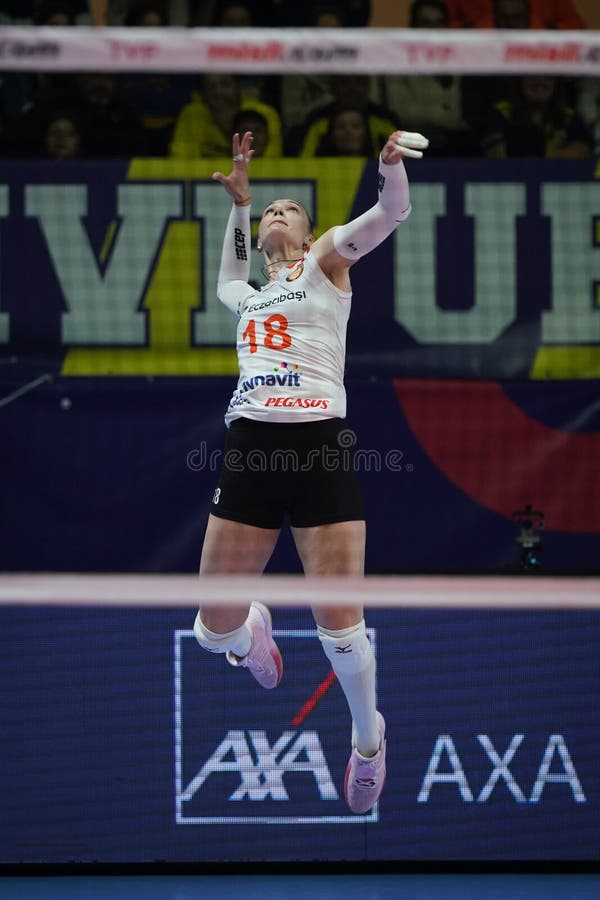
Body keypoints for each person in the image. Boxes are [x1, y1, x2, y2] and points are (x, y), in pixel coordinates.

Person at [193, 126, 429, 814]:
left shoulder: (326, 260)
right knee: (213, 629)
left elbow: (391, 216)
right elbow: (227, 280)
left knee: (340, 626)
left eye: (284, 210)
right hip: (252, 450)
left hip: (320, 443)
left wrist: (388, 171)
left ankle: (366, 743)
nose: (276, 213)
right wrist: (239, 205)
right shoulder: (249, 297)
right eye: (271, 210)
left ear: (304, 231)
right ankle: (250, 640)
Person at [170, 73, 282, 158]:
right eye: (210, 86)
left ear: (239, 87)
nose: (218, 92)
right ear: (202, 92)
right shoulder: (191, 114)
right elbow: (180, 159)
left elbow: (272, 159)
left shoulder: (265, 112)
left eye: (225, 84)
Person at [481, 75, 592, 158]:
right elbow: (496, 154)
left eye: (547, 77)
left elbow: (581, 152)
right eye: (533, 75)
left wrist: (532, 154)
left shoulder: (569, 117)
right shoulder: (501, 113)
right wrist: (557, 154)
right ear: (520, 81)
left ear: (556, 84)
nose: (540, 82)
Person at [445, 0, 584, 29]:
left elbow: (576, 23)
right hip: (480, 60)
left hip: (537, 59)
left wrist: (552, 30)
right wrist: (466, 30)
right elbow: (441, 24)